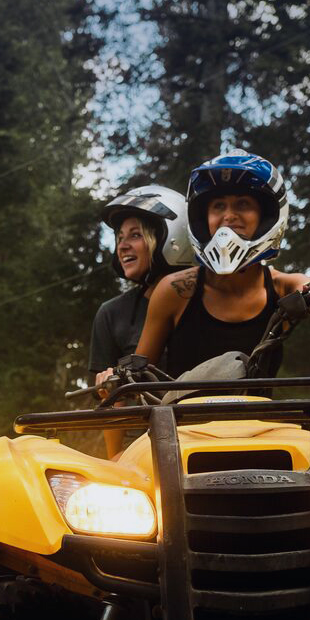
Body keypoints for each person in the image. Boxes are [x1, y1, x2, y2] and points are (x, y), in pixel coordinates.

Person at [133, 152, 310, 378]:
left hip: (259, 423)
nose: (229, 215)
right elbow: (135, 379)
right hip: (181, 424)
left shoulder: (283, 288)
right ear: (201, 218)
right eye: (218, 206)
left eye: (242, 204)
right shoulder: (175, 290)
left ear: (266, 217)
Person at [88, 184, 195, 455]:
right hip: (145, 447)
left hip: (214, 434)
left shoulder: (210, 299)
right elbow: (112, 404)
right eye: (119, 236)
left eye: (135, 235)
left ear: (172, 237)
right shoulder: (111, 314)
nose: (122, 244)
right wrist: (114, 460)